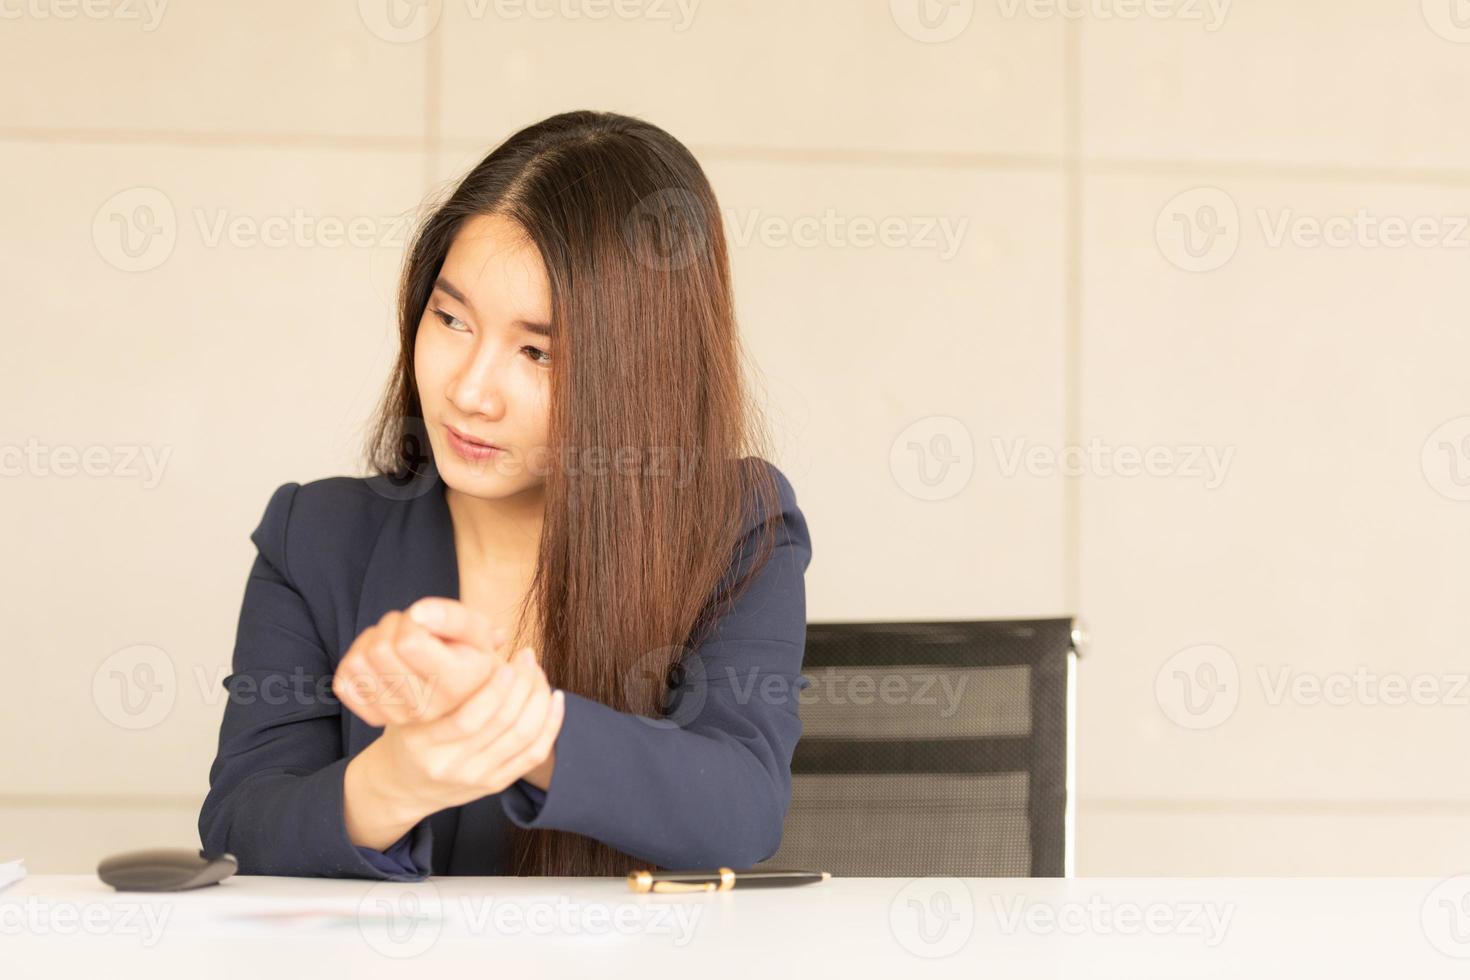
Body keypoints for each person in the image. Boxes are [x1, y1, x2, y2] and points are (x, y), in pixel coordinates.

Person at [197, 110, 813, 879]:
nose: (470, 391)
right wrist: (397, 779)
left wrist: (512, 725)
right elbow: (237, 826)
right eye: (451, 319)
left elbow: (742, 807)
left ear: (642, 374)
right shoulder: (317, 535)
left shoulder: (734, 525)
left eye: (537, 352)